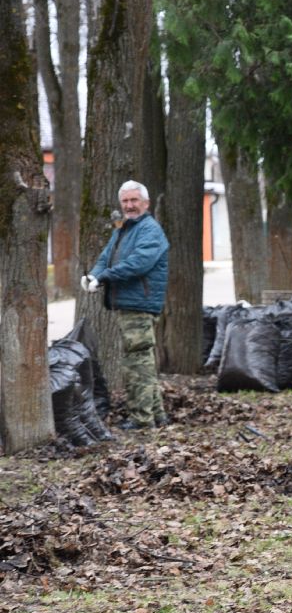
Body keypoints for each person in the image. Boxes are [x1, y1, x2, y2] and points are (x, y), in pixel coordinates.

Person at [82, 180, 170, 430]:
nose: (129, 205)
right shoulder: (124, 229)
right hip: (129, 303)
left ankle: (141, 419)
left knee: (136, 363)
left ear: (146, 203)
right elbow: (105, 258)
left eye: (134, 200)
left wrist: (104, 277)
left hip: (140, 305)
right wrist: (93, 275)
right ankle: (157, 416)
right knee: (142, 361)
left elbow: (138, 264)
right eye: (125, 201)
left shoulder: (150, 230)